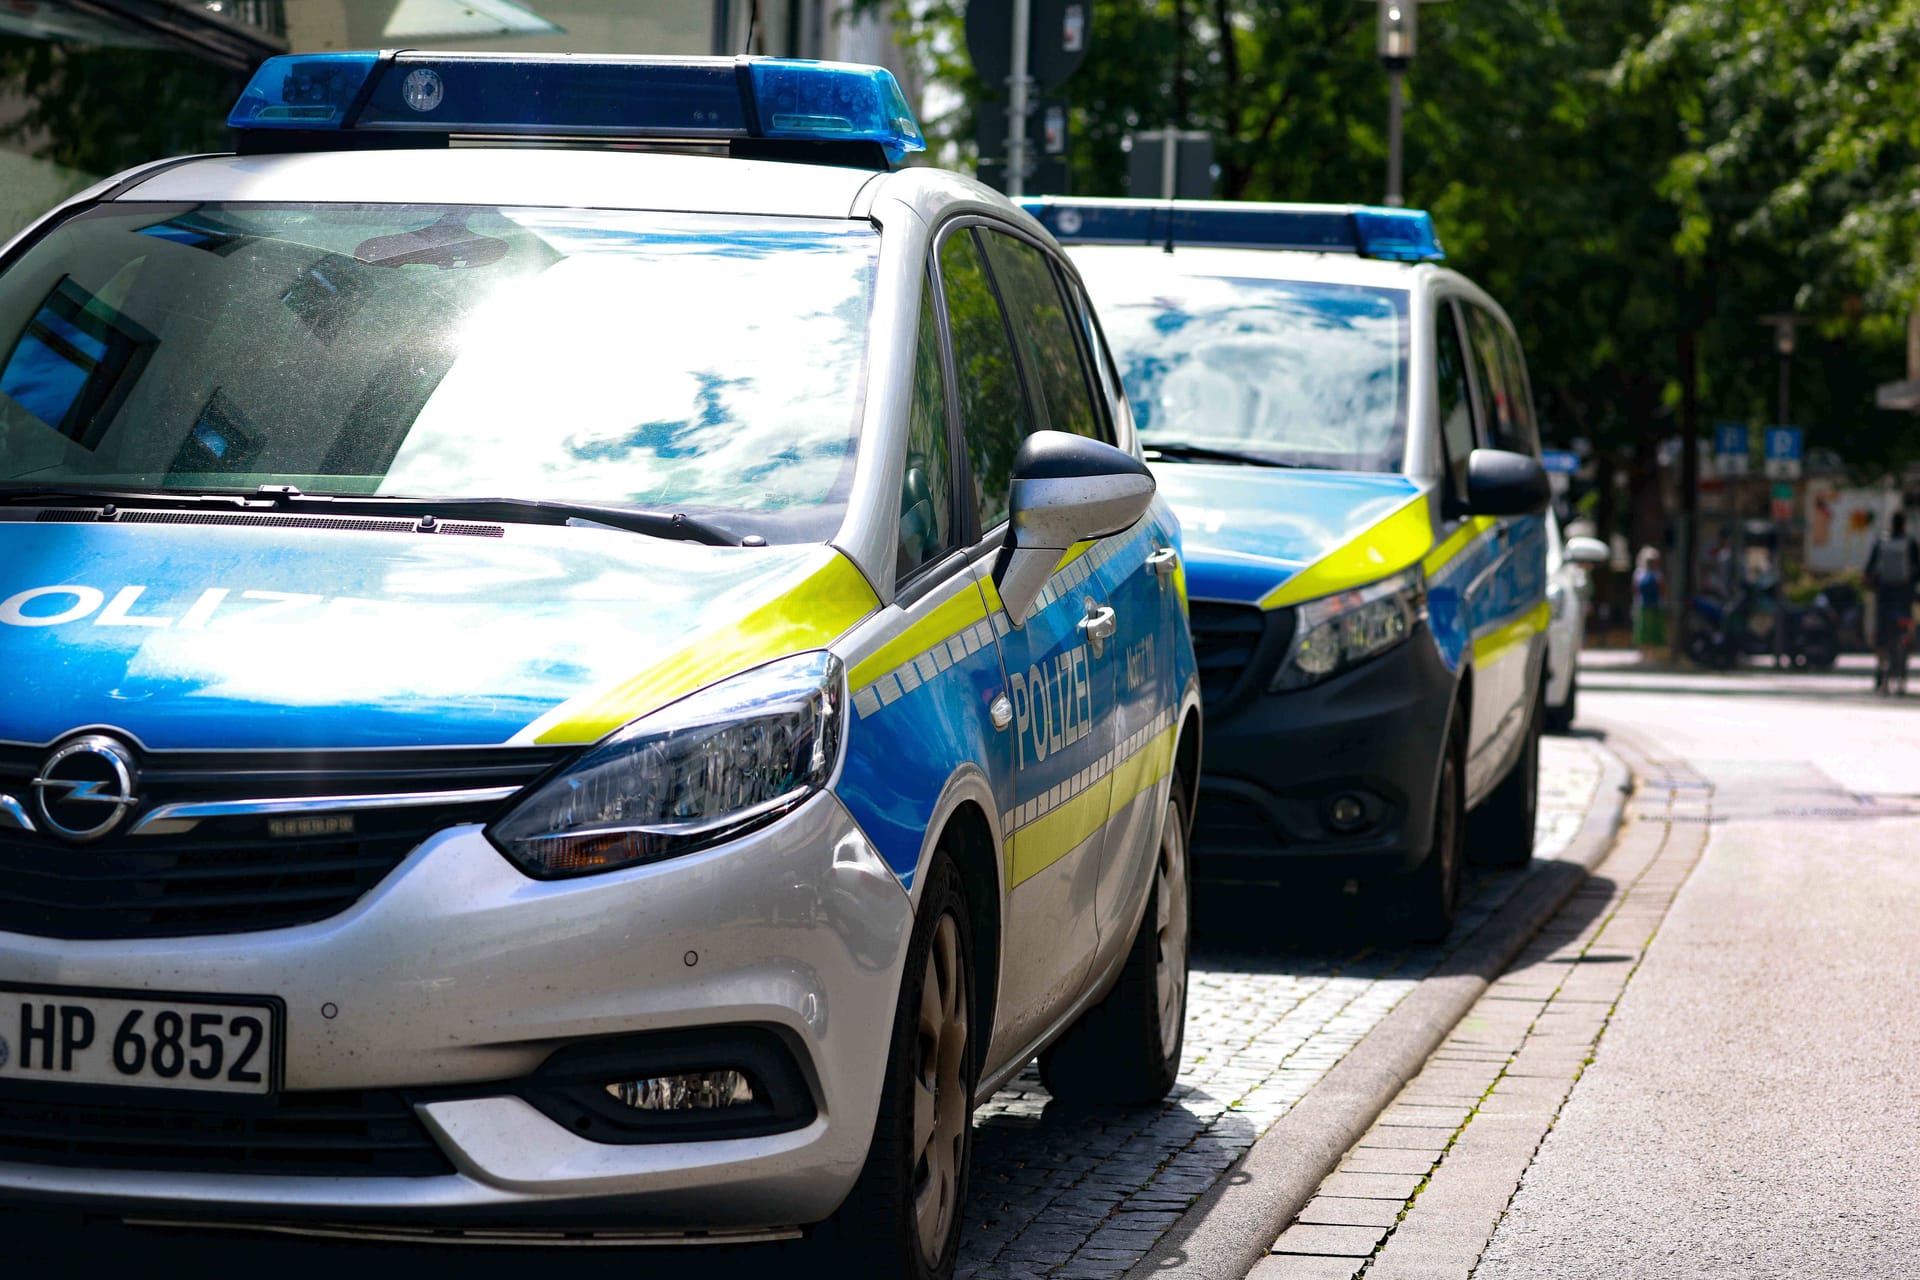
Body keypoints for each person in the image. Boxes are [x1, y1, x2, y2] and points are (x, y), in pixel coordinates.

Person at [1865, 510, 1920, 691]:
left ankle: (1881, 667)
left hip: (1884, 595)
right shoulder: (1910, 543)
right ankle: (1903, 666)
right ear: (1904, 524)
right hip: (1904, 597)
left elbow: (1869, 570)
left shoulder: (1882, 542)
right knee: (1906, 629)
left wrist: (1871, 583)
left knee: (1881, 635)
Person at [1632, 546, 1665, 661]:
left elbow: (1662, 590)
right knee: (1642, 629)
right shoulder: (1639, 573)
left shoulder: (1657, 574)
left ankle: (1652, 653)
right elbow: (1636, 591)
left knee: (1653, 629)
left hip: (1655, 605)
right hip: (1642, 605)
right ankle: (1642, 652)